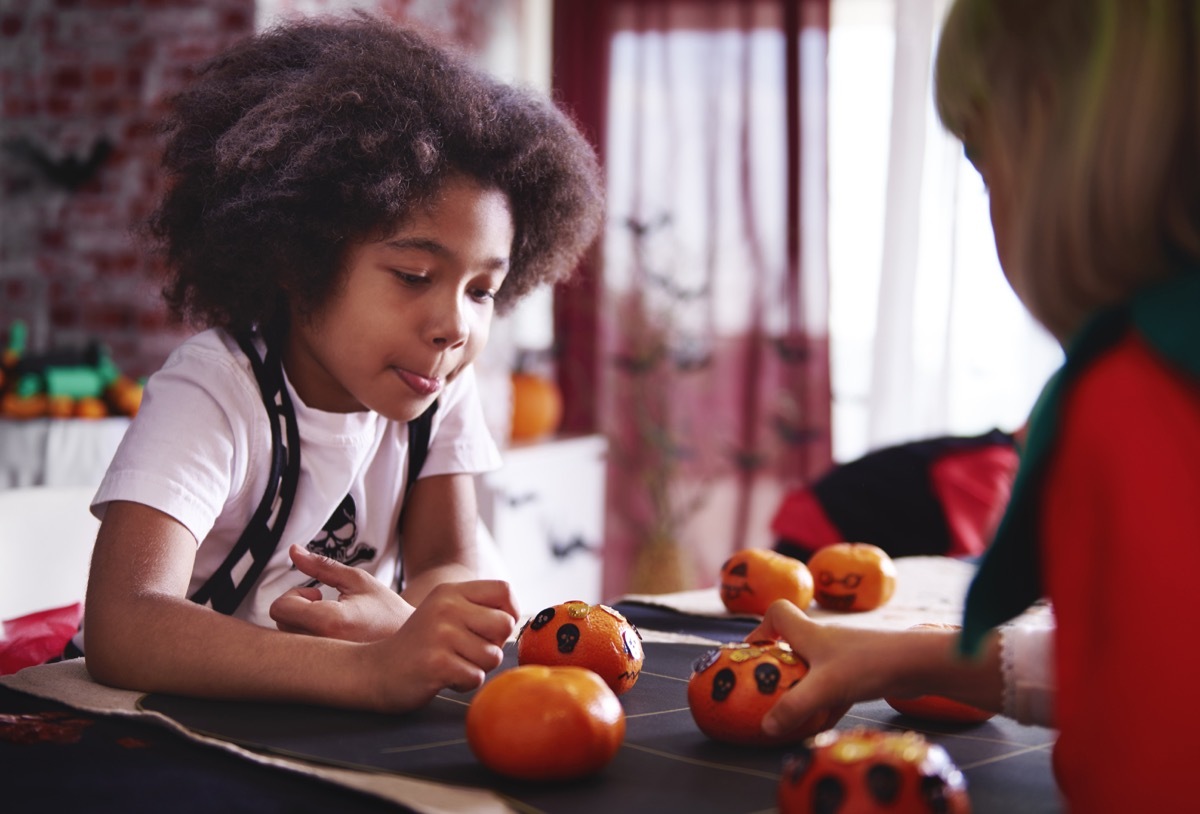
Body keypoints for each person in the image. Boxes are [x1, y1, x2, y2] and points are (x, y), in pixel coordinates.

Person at [79, 15, 603, 713]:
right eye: (414, 274)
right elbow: (124, 624)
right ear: (303, 261)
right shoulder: (215, 390)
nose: (454, 325)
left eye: (482, 290)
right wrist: (367, 671)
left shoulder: (440, 388)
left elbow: (446, 559)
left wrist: (418, 619)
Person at [750, 1, 1200, 810]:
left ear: (1060, 144)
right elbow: (1141, 658)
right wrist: (905, 659)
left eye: (980, 156)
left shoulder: (1134, 400)